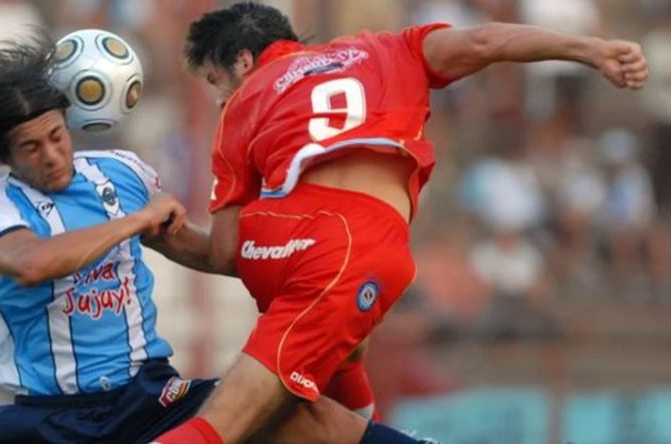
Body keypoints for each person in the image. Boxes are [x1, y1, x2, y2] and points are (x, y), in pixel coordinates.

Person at [152, 2, 649, 443]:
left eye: (217, 82)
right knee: (239, 422)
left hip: (301, 248)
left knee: (285, 409)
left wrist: (153, 232)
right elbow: (485, 39)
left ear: (243, 60)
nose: (220, 98)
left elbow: (223, 251)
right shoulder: (392, 48)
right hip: (362, 250)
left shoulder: (245, 101)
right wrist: (590, 48)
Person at [0, 32, 406, 444]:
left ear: (68, 122)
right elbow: (33, 263)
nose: (51, 154)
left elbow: (208, 253)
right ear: (4, 158)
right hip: (49, 419)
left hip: (147, 397)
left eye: (56, 136)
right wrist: (135, 222)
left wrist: (302, 250)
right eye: (31, 147)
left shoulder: (120, 174)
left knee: (297, 414)